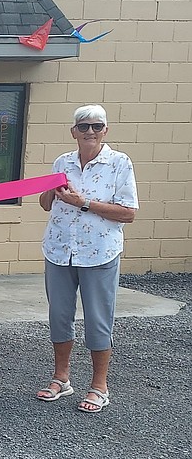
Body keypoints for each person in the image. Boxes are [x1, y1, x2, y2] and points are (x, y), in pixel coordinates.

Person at [36, 105, 137, 413]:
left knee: (98, 320)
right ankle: (61, 378)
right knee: (59, 316)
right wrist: (51, 190)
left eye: (96, 126)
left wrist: (84, 203)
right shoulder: (62, 162)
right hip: (59, 250)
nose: (89, 131)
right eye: (83, 126)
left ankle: (99, 387)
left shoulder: (120, 163)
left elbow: (128, 213)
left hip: (99, 252)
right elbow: (44, 204)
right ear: (74, 131)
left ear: (105, 130)